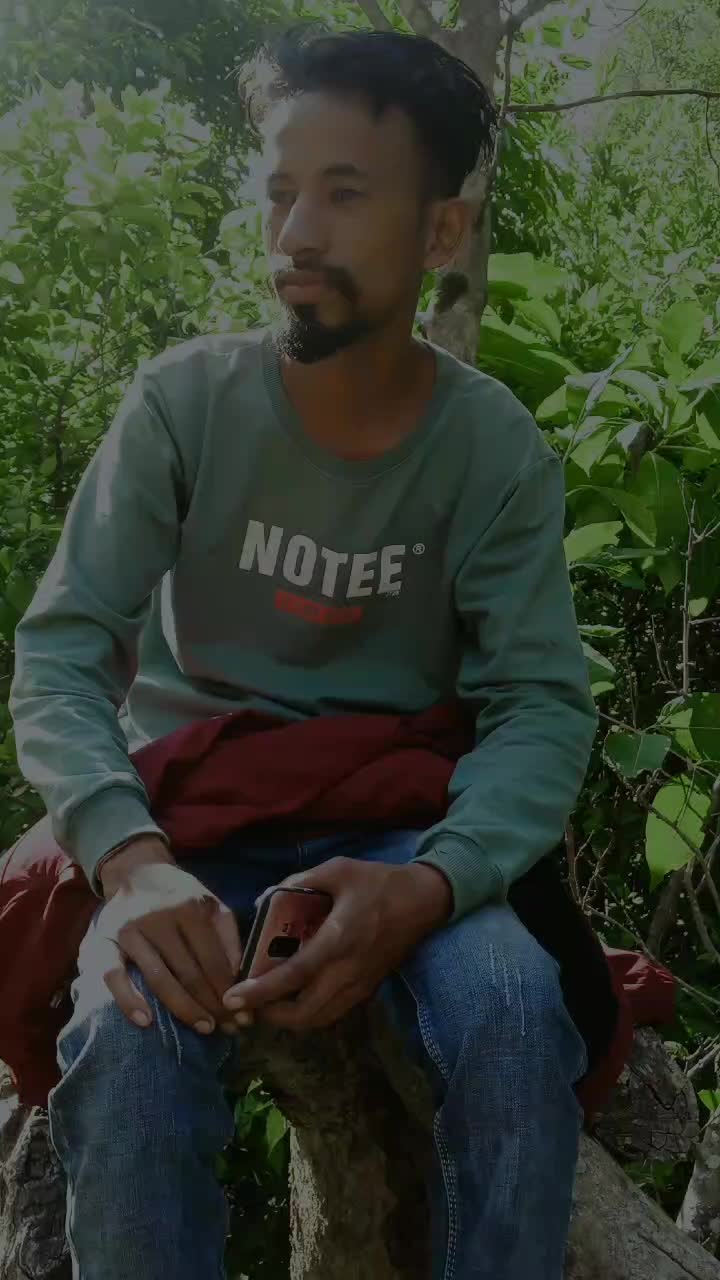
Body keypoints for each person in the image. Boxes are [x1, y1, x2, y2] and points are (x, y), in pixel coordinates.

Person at [9, 26, 600, 1280]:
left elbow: (541, 706)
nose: (297, 233)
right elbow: (63, 651)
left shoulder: (493, 453)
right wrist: (130, 863)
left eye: (345, 193)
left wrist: (435, 882)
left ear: (442, 230)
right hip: (191, 820)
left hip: (401, 827)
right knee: (126, 1037)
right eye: (281, 190)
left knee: (512, 1016)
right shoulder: (184, 404)